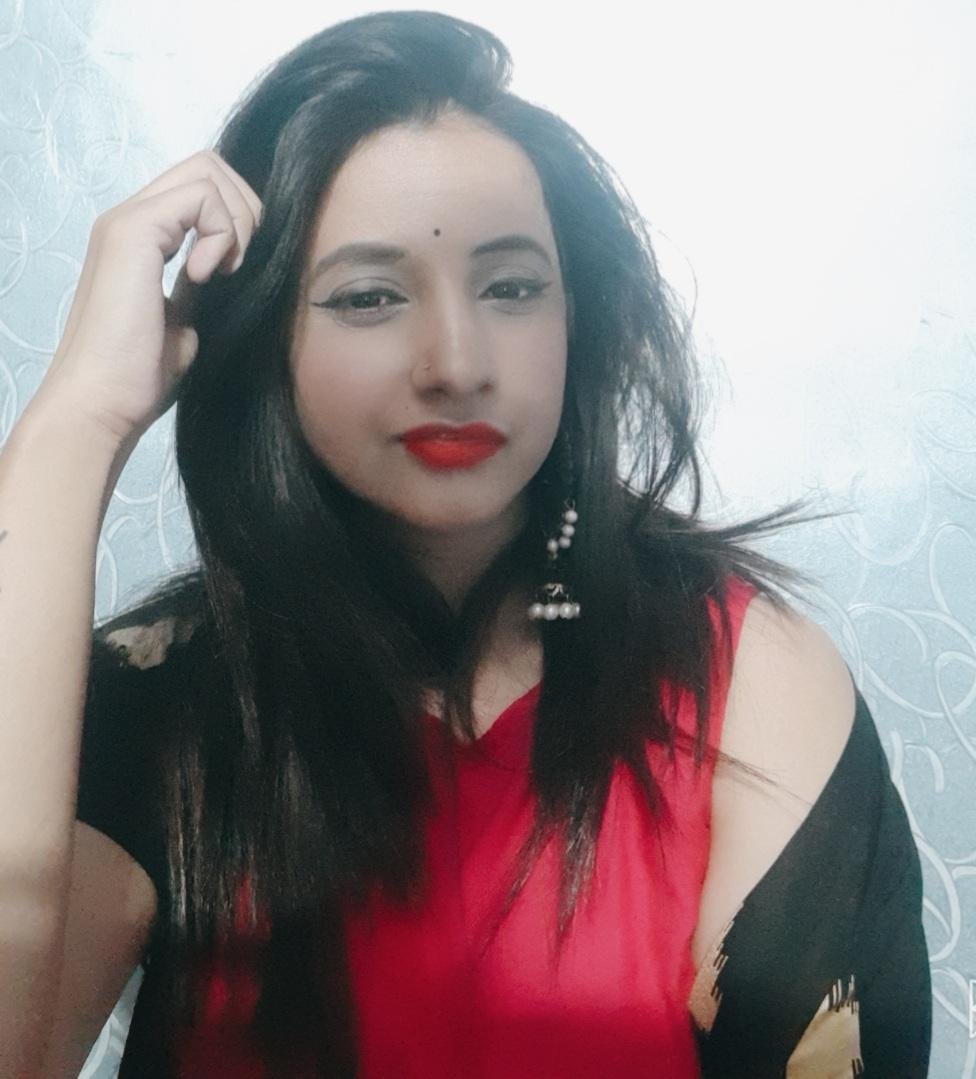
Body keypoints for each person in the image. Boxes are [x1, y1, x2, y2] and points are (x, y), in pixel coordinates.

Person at [0, 10, 931, 1077]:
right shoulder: (169, 703)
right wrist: (75, 422)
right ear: (263, 339)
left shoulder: (745, 680)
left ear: (577, 318)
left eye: (512, 287)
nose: (456, 361)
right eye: (369, 296)